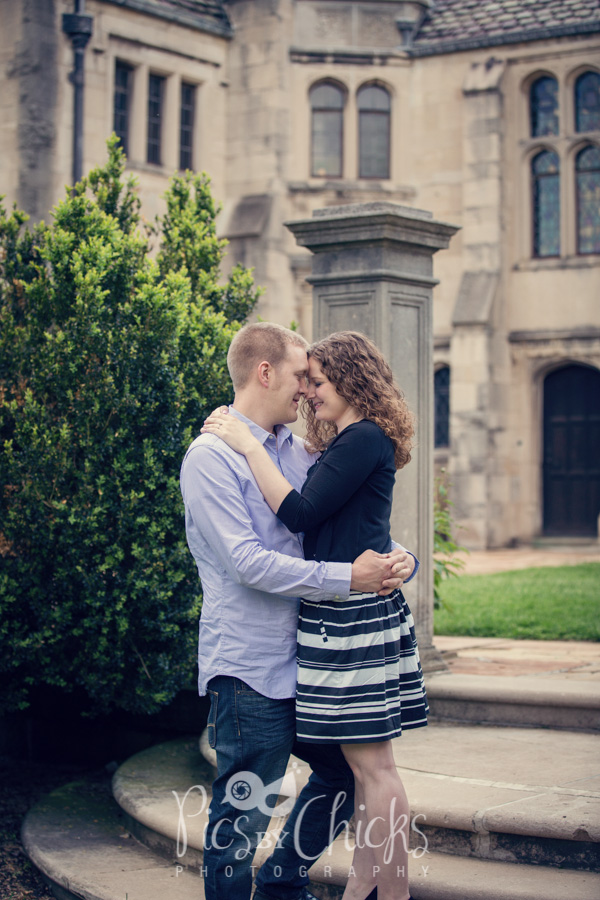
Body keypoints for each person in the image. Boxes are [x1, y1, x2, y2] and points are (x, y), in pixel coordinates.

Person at [180, 322, 418, 900]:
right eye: (299, 377)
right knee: (246, 807)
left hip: (313, 658)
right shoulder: (211, 458)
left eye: (314, 380)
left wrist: (396, 557)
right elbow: (250, 564)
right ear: (266, 373)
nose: (307, 390)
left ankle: (283, 881)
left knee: (342, 774)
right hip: (251, 665)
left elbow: (342, 517)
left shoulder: (299, 450)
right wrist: (349, 578)